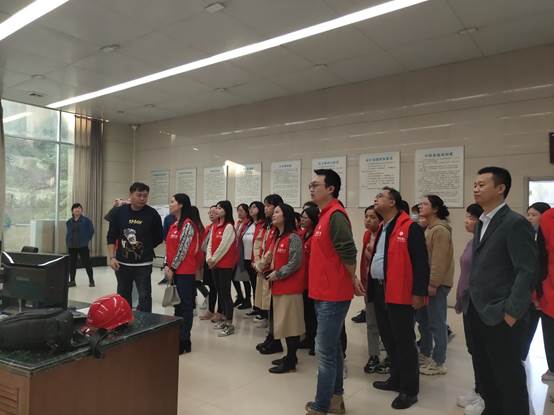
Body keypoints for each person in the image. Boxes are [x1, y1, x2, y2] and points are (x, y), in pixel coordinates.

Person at [465, 166, 537, 415]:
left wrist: (512, 312)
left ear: (500, 188)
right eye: (475, 184)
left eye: (482, 184)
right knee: (485, 373)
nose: (476, 189)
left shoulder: (515, 223)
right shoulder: (482, 222)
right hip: (477, 310)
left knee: (508, 377)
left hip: (501, 313)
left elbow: (527, 270)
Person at [305, 169, 364, 415]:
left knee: (325, 352)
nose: (311, 189)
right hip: (323, 292)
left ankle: (321, 405)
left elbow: (348, 251)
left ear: (331, 189)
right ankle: (336, 399)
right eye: (310, 185)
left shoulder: (336, 215)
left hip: (333, 295)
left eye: (316, 185)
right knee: (334, 349)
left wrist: (353, 278)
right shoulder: (324, 215)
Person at [370, 186, 429, 410]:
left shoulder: (410, 227)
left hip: (400, 292)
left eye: (381, 196)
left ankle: (409, 390)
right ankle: (395, 378)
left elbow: (421, 262)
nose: (376, 199)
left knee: (404, 341)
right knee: (388, 338)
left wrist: (419, 293)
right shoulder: (383, 226)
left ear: (393, 202)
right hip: (380, 289)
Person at [107, 182, 163, 312]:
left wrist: (146, 246)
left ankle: (145, 322)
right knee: (123, 294)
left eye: (145, 196)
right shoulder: (119, 212)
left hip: (143, 264)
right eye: (139, 195)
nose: (142, 198)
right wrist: (112, 257)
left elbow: (159, 237)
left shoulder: (152, 214)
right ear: (130, 195)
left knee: (144, 295)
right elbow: (111, 236)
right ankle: (124, 320)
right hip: (122, 263)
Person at [417, 195, 454, 376]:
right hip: (429, 283)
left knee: (437, 323)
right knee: (425, 320)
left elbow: (439, 260)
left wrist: (433, 283)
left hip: (437, 284)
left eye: (425, 204)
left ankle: (439, 362)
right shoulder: (430, 228)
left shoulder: (440, 230)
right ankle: (425, 353)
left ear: (435, 209)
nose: (420, 206)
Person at [266, 203, 305, 374]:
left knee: (291, 326)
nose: (273, 215)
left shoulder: (293, 237)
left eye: (277, 212)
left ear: (286, 216)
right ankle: (290, 356)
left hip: (290, 288)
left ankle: (290, 361)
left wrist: (278, 273)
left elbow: (295, 262)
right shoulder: (279, 237)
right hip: (279, 286)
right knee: (284, 324)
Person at [454, 203, 485, 414]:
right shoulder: (471, 242)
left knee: (482, 352)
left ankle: (485, 395)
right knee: (473, 349)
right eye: (467, 217)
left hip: (480, 305)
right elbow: (465, 275)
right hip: (468, 303)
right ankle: (478, 389)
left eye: (472, 218)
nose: (467, 221)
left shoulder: (485, 244)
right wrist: (459, 298)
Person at [164, 194, 201, 354]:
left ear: (181, 205)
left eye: (172, 202)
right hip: (173, 270)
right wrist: (166, 265)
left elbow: (183, 249)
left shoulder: (188, 225)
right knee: (177, 305)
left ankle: (185, 340)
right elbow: (169, 247)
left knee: (186, 306)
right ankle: (177, 336)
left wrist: (172, 268)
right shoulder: (174, 224)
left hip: (184, 271)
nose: (170, 204)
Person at [522, 201, 552, 361]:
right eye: (528, 214)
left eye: (534, 215)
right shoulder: (527, 238)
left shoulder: (548, 243)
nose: (529, 218)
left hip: (545, 294)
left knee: (549, 335)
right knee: (526, 330)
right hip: (530, 295)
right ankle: (520, 357)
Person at [255, 194, 284, 355]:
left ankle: (275, 339)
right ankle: (271, 336)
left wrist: (261, 264)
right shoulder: (266, 225)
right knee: (267, 306)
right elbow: (259, 244)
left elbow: (272, 249)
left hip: (272, 270)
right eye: (265, 205)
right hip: (263, 268)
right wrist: (257, 262)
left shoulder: (279, 227)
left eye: (269, 206)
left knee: (273, 307)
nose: (265, 208)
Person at [206, 200, 237, 337]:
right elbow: (210, 244)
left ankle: (229, 324)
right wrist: (209, 258)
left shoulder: (229, 226)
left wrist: (213, 259)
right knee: (220, 292)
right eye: (216, 208)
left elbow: (224, 247)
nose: (216, 210)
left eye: (220, 208)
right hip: (215, 265)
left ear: (226, 210)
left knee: (226, 293)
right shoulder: (215, 226)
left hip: (225, 265)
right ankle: (224, 319)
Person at [361, 205, 384, 374]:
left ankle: (390, 355)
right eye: (366, 216)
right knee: (371, 322)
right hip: (369, 284)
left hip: (383, 285)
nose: (368, 220)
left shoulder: (385, 235)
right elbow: (363, 261)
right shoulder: (367, 235)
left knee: (386, 323)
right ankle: (373, 355)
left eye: (373, 217)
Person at [298, 205, 319, 355]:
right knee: (307, 312)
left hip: (313, 280)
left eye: (305, 217)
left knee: (314, 313)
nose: (302, 220)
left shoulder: (315, 236)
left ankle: (315, 342)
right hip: (303, 280)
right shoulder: (303, 233)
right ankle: (309, 338)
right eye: (302, 217)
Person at [537, 208, 554, 383]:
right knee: (550, 334)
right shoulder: (548, 218)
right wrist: (537, 291)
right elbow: (541, 257)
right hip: (550, 289)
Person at [199, 206, 223, 322]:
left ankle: (220, 312)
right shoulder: (209, 227)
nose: (211, 214)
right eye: (209, 213)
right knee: (212, 287)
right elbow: (205, 245)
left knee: (220, 288)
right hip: (208, 260)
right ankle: (210, 310)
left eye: (213, 212)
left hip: (218, 262)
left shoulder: (223, 227)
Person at [66, 203, 95, 287]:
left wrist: (86, 240)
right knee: (72, 264)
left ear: (81, 210)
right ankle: (72, 281)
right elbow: (69, 233)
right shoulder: (69, 221)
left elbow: (91, 231)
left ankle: (91, 280)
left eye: (79, 208)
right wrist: (68, 242)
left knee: (87, 263)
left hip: (83, 245)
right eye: (75, 208)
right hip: (72, 246)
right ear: (72, 211)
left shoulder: (86, 220)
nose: (77, 210)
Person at [245, 201, 266, 317]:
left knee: (258, 285)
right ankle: (256, 307)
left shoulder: (262, 224)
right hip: (246, 258)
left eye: (254, 207)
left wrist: (256, 260)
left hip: (256, 260)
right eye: (250, 207)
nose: (251, 209)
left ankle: (261, 310)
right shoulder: (249, 224)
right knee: (253, 284)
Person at [233, 204, 253, 309]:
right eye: (238, 210)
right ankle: (240, 296)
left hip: (243, 254)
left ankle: (248, 300)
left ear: (246, 212)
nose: (239, 213)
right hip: (236, 254)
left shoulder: (248, 223)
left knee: (245, 278)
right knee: (234, 277)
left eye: (241, 210)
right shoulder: (238, 223)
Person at [158, 212, 177, 285]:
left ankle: (169, 278)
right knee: (168, 261)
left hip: (178, 245)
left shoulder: (185, 219)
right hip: (170, 244)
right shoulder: (168, 218)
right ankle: (167, 278)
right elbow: (165, 233)